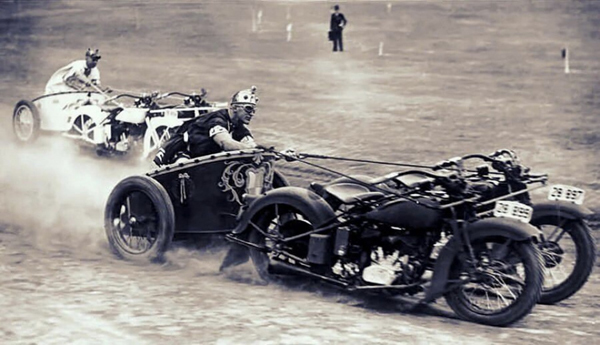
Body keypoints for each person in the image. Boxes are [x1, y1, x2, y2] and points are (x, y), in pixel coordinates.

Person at [153, 86, 259, 167]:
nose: (252, 113)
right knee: (184, 170)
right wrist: (251, 149)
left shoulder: (239, 127)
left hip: (199, 158)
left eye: (253, 110)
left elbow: (250, 144)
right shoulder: (218, 120)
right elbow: (225, 143)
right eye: (248, 108)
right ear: (234, 107)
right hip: (181, 152)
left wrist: (259, 150)